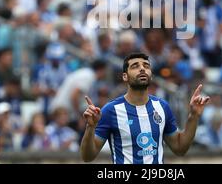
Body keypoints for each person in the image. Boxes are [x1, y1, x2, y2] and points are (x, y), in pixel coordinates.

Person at [80, 52, 210, 164]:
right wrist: (90, 127)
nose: (142, 69)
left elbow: (180, 148)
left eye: (146, 66)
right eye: (135, 66)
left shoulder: (162, 107)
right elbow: (87, 157)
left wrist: (193, 116)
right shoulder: (110, 110)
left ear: (151, 75)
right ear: (125, 76)